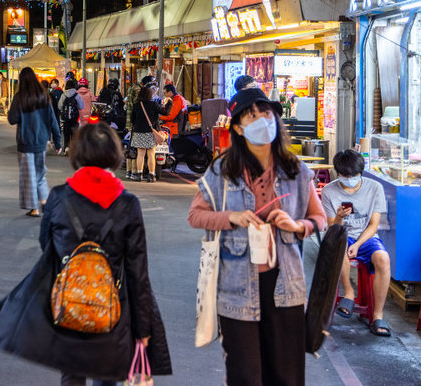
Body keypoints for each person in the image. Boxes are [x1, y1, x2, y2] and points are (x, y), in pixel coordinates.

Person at [0, 123, 171, 385]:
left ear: (77, 154)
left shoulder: (59, 197)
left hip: (69, 302)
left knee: (71, 374)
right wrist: (144, 328)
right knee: (107, 375)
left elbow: (47, 245)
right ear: (114, 154)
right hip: (112, 305)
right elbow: (138, 271)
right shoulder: (127, 204)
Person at [188, 87, 325, 386]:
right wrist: (231, 218)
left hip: (286, 286)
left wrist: (297, 225)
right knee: (246, 376)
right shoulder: (222, 171)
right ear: (237, 127)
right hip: (236, 287)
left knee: (286, 376)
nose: (263, 119)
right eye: (252, 115)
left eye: (266, 113)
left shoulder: (296, 171)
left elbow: (319, 218)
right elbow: (195, 216)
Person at [323, 150, 392, 336]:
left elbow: (374, 225)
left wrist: (358, 244)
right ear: (338, 173)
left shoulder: (374, 188)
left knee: (383, 259)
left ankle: (378, 315)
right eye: (345, 176)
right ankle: (349, 292)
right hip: (341, 234)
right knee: (341, 245)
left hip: (367, 236)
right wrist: (338, 217)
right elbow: (333, 228)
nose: (350, 179)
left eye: (354, 175)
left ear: (360, 172)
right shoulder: (329, 191)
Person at [8, 67, 61, 217]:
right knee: (40, 173)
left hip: (25, 142)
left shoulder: (20, 97)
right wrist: (58, 142)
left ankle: (34, 208)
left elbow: (12, 119)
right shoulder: (44, 96)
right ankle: (45, 202)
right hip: (42, 141)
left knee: (28, 175)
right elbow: (53, 120)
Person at [129, 85, 161, 182]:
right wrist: (169, 103)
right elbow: (165, 112)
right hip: (150, 132)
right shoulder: (153, 104)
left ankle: (139, 174)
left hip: (138, 131)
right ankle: (151, 175)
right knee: (151, 154)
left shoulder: (136, 105)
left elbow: (132, 119)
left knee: (140, 154)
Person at [58, 79, 84, 153]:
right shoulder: (77, 95)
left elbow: (59, 106)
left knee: (66, 133)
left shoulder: (63, 95)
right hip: (74, 118)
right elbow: (81, 106)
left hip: (66, 118)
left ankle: (66, 148)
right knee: (74, 134)